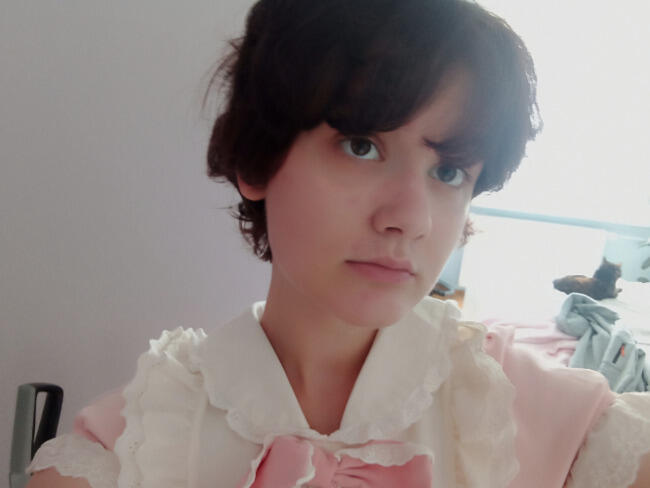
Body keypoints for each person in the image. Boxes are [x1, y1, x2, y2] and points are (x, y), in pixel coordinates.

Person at [25, 0, 650, 487]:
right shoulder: (125, 452)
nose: (410, 218)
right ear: (256, 158)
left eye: (449, 169)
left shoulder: (534, 416)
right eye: (361, 146)